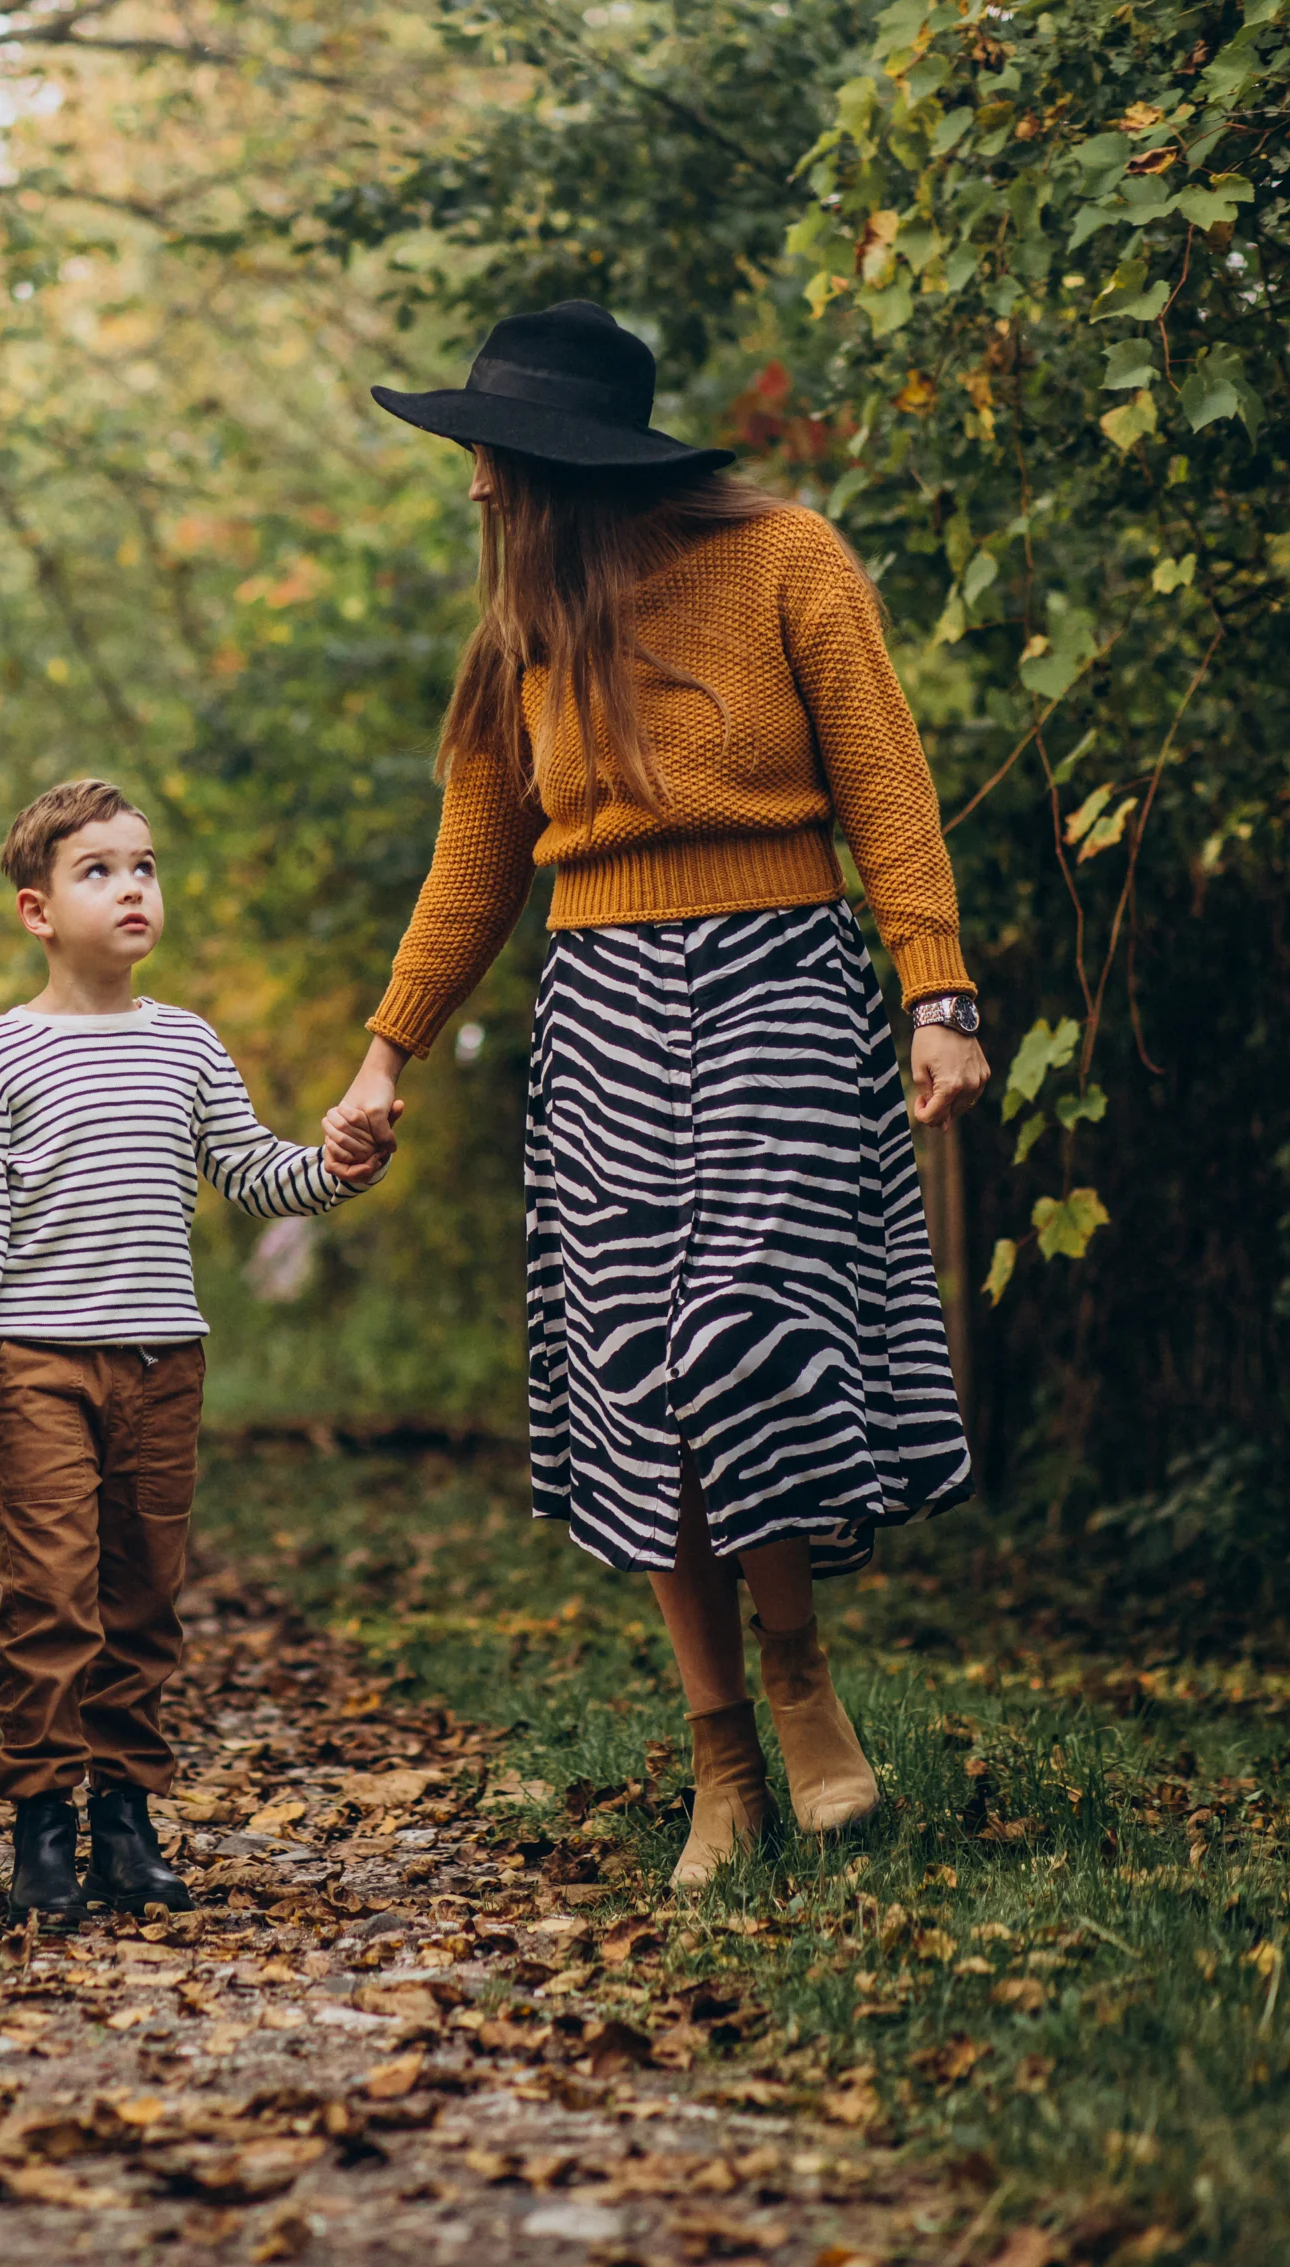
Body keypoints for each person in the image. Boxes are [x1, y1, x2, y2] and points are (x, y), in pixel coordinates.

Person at [333, 300, 993, 1891]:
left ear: (559, 460)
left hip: (780, 979)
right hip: (605, 1007)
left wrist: (939, 987)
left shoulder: (789, 560)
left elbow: (885, 779)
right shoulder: (521, 635)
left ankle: (803, 1687)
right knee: (640, 1369)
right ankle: (721, 1765)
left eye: (491, 457)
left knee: (745, 1329)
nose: (476, 487)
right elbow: (475, 868)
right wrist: (385, 1053)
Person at [0, 781, 385, 1925]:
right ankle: (40, 1823)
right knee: (50, 1595)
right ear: (36, 910)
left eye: (145, 865)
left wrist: (333, 1161)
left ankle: (125, 1822)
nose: (132, 885)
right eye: (98, 869)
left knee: (141, 1599)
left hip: (163, 1361)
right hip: (38, 1363)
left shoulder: (186, 1043)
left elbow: (252, 1170)